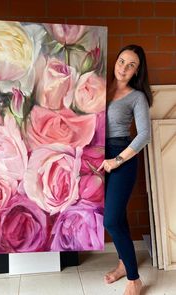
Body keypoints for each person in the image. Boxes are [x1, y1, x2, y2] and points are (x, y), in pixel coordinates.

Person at [97, 44, 153, 295]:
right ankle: (123, 263)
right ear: (115, 62)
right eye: (122, 61)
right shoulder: (98, 87)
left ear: (137, 71)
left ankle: (134, 278)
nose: (124, 68)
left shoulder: (136, 96)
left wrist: (116, 160)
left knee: (110, 220)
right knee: (118, 217)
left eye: (131, 65)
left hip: (122, 159)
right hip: (96, 157)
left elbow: (144, 136)